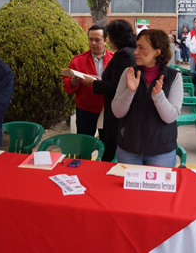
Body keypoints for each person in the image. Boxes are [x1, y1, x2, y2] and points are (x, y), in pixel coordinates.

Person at [112, 29, 183, 167]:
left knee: (157, 189)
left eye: (141, 47)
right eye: (136, 46)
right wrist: (130, 91)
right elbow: (117, 112)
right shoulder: (129, 73)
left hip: (161, 152)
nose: (135, 52)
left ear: (157, 51)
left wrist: (158, 96)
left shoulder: (173, 77)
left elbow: (170, 117)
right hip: (128, 149)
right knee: (126, 189)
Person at [82, 20, 136, 162]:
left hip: (115, 111)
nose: (93, 43)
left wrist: (93, 83)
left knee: (109, 149)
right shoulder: (130, 52)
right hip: (110, 108)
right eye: (90, 39)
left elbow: (116, 85)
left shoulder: (122, 54)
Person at [63, 25, 113, 136]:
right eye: (90, 39)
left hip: (107, 110)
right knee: (84, 145)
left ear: (105, 41)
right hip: (85, 110)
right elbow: (67, 86)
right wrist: (72, 82)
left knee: (108, 145)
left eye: (97, 40)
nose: (93, 43)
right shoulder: (78, 60)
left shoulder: (114, 59)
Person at [185, 17, 196, 85]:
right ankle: (194, 85)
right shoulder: (191, 32)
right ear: (194, 24)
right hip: (193, 55)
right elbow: (187, 43)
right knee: (193, 71)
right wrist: (192, 46)